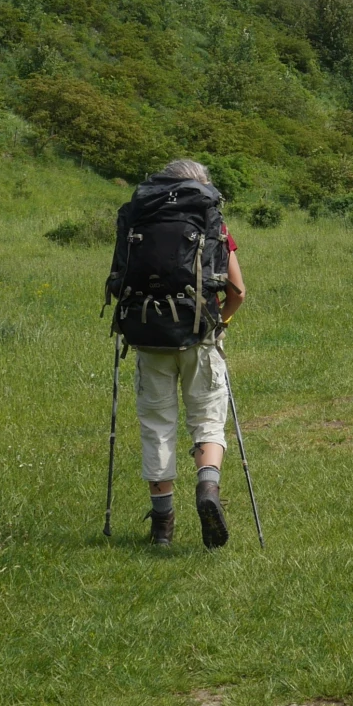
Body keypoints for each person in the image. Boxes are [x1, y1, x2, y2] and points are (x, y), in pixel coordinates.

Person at [107, 157, 247, 548]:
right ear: (201, 187)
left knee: (157, 426)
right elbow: (237, 292)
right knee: (206, 420)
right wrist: (220, 324)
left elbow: (119, 280)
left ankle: (162, 526)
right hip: (198, 334)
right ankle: (207, 488)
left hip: (148, 334)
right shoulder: (212, 221)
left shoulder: (139, 218)